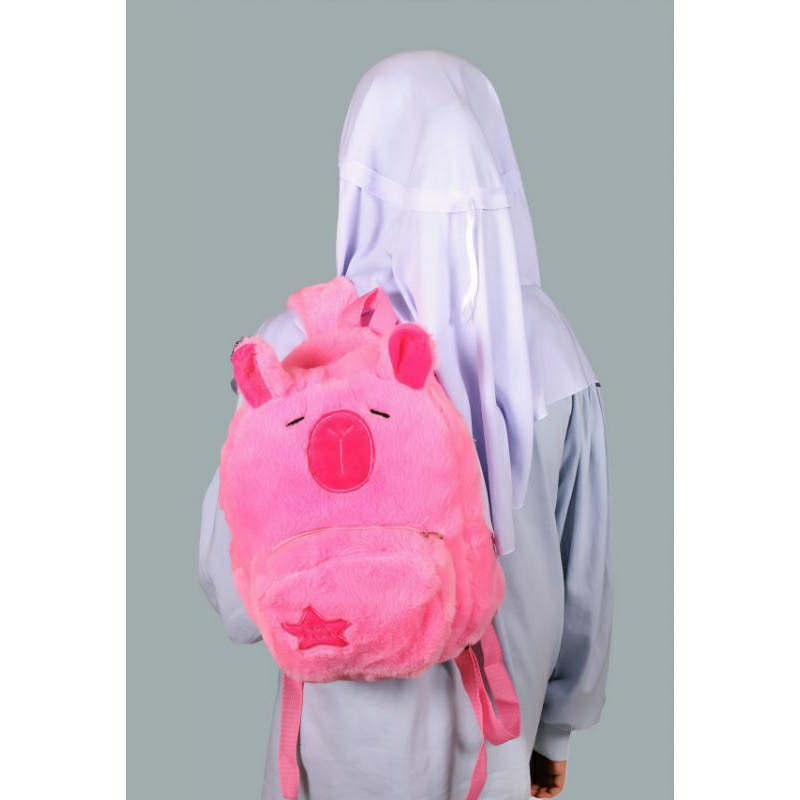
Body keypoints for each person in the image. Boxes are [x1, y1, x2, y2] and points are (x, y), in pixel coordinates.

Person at [200, 51, 613, 800]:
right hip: (499, 754)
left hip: (328, 763)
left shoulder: (295, 348)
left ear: (359, 177)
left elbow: (232, 594)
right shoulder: (554, 351)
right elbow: (584, 574)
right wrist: (557, 729)